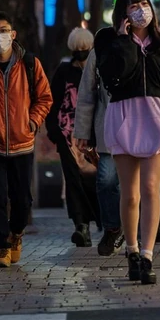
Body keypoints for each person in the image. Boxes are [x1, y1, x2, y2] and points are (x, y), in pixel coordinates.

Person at [94, 0, 160, 284]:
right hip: (123, 115)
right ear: (122, 13)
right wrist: (125, 41)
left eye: (143, 4)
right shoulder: (107, 40)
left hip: (157, 119)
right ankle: (132, 251)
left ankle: (147, 255)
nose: (140, 9)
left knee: (151, 187)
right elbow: (112, 78)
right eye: (132, 5)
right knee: (130, 192)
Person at [0, 11, 52, 267]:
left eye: (3, 30)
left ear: (13, 34)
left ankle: (16, 233)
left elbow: (44, 98)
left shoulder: (29, 63)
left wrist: (32, 121)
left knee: (22, 200)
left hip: (22, 143)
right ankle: (1, 248)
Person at [47, 27, 101, 247]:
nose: (81, 52)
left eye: (84, 48)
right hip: (67, 136)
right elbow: (53, 103)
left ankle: (101, 219)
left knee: (98, 179)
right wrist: (55, 134)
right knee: (73, 181)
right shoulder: (63, 71)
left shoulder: (97, 70)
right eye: (77, 48)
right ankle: (81, 225)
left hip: (94, 136)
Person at [74, 43, 125, 256]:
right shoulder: (101, 50)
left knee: (140, 186)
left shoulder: (148, 47)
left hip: (141, 130)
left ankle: (138, 234)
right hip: (108, 131)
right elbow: (86, 94)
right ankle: (113, 227)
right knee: (106, 180)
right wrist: (83, 131)